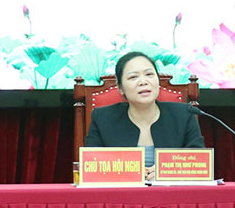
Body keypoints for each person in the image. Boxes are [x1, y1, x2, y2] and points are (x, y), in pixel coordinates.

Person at [84, 52, 204, 181]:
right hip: (123, 193)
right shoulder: (102, 118)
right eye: (133, 77)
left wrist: (169, 171)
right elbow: (92, 165)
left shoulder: (184, 114)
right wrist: (129, 173)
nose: (143, 82)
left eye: (149, 74)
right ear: (120, 88)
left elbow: (199, 162)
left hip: (170, 192)